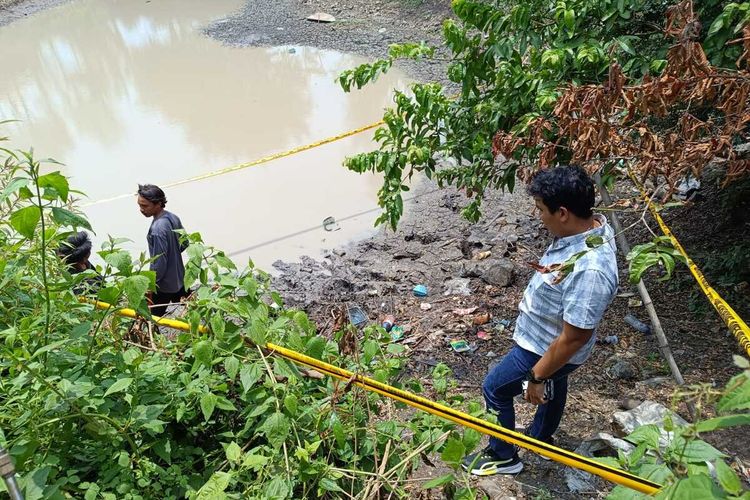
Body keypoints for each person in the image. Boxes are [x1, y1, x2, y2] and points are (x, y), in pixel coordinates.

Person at [462, 165, 618, 476]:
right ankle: (541, 437)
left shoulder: (591, 269)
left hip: (544, 345)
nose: (539, 217)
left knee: (495, 388)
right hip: (548, 337)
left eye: (541, 210)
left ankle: (503, 455)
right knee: (555, 380)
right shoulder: (586, 231)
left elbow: (574, 338)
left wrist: (536, 376)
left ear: (562, 213)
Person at [137, 184, 188, 317]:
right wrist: (173, 255)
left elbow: (159, 263)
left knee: (149, 318)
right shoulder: (173, 217)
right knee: (192, 308)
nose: (141, 210)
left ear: (158, 203)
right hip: (179, 278)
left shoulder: (157, 230)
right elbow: (185, 243)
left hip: (163, 285)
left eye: (145, 206)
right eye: (140, 205)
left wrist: (149, 286)